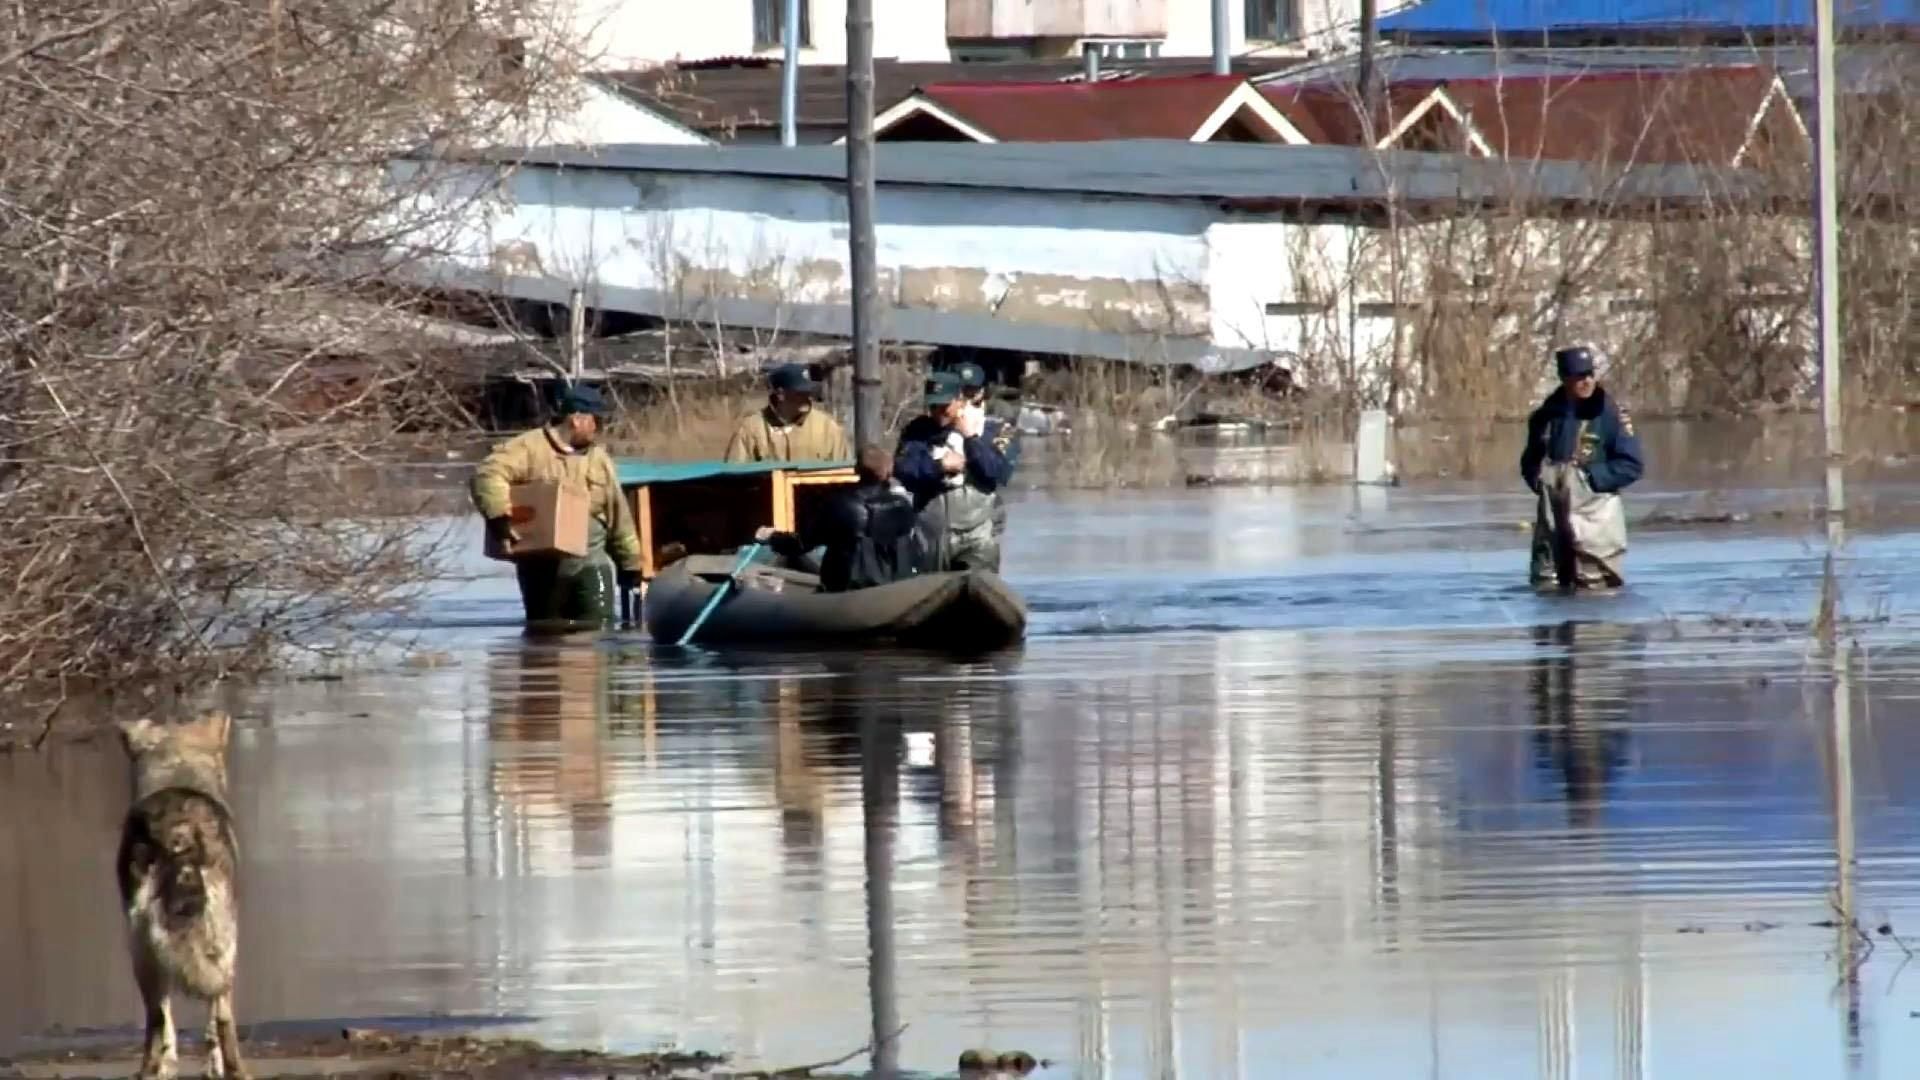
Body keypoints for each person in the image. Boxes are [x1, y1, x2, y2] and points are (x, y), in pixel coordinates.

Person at [470, 383, 644, 626]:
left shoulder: (599, 459)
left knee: (600, 628)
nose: (599, 429)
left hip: (590, 564)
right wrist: (499, 516)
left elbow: (619, 517)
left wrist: (631, 564)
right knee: (545, 633)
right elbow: (487, 474)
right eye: (596, 421)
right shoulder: (529, 448)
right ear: (577, 420)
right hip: (541, 568)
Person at [1520, 345, 1645, 591]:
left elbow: (1632, 465)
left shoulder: (1612, 415)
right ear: (1565, 379)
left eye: (1590, 374)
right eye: (1579, 376)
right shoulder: (1544, 417)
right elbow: (1529, 461)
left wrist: (1590, 479)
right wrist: (1539, 481)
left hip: (1596, 514)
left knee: (1596, 582)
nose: (1587, 381)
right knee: (1547, 582)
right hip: (1552, 514)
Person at [756, 445, 923, 593]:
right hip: (897, 591)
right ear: (889, 472)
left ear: (856, 469)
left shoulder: (841, 505)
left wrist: (771, 537)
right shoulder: (903, 505)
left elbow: (801, 544)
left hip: (849, 593)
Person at [895, 371, 1015, 573]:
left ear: (960, 400)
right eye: (933, 406)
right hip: (932, 533)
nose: (938, 412)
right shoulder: (917, 431)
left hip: (977, 532)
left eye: (944, 406)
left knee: (977, 582)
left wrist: (970, 438)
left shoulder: (994, 428)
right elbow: (904, 470)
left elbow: (997, 472)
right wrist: (939, 466)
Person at [723, 362, 853, 463]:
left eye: (809, 392)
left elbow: (847, 475)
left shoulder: (828, 428)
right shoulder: (751, 430)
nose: (807, 398)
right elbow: (733, 477)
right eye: (800, 393)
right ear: (781, 394)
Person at [952, 360, 1022, 547]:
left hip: (982, 522)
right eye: (958, 393)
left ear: (981, 393)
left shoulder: (1002, 429)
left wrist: (971, 437)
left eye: (970, 392)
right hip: (940, 525)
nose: (964, 400)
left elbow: (997, 472)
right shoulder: (933, 427)